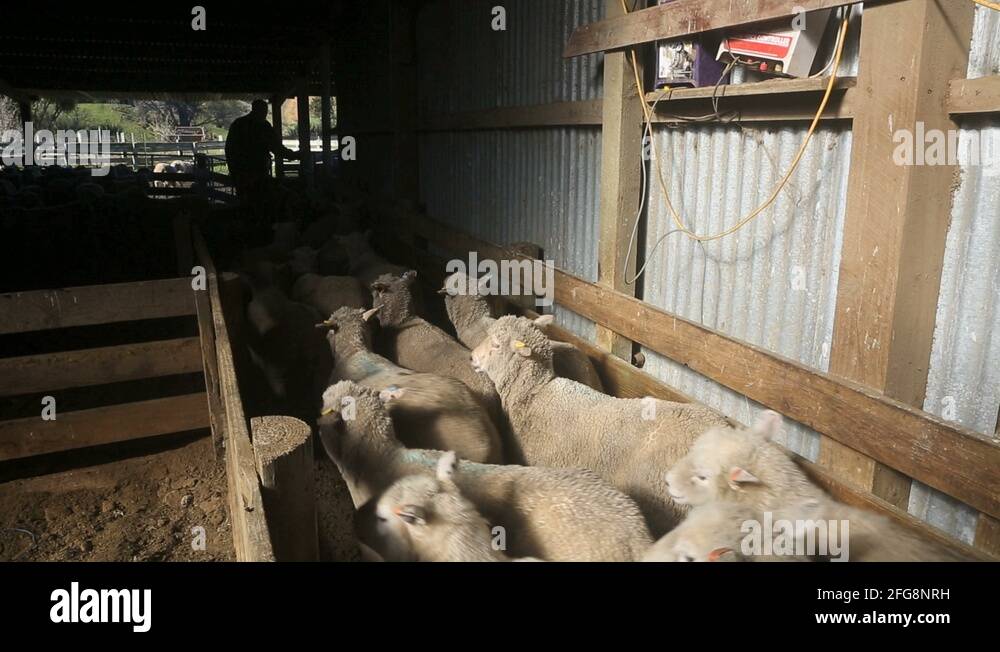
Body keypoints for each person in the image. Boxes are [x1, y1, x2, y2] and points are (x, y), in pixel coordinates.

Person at [224, 99, 300, 227]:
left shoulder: (238, 125)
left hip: (241, 175)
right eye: (264, 112)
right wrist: (294, 155)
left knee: (247, 204)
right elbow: (276, 148)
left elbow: (229, 150)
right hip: (258, 174)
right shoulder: (263, 126)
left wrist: (234, 172)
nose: (264, 114)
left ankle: (249, 229)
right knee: (263, 203)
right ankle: (263, 228)